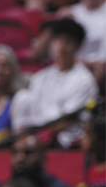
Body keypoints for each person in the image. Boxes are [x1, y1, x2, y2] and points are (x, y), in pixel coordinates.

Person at [11, 18, 98, 148]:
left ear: (78, 46)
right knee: (22, 97)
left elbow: (66, 121)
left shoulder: (84, 80)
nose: (61, 47)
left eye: (68, 42)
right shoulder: (40, 78)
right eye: (57, 40)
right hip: (36, 137)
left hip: (65, 143)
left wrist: (39, 135)